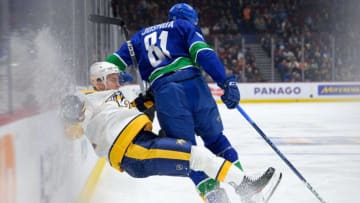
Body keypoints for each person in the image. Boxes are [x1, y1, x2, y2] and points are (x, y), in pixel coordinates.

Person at [104, 3, 280, 203]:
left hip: (165, 94)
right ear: (189, 19)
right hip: (194, 87)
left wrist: (115, 80)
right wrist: (225, 81)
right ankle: (249, 193)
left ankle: (216, 199)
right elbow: (202, 53)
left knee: (187, 153)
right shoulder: (184, 26)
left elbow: (110, 64)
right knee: (216, 140)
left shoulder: (139, 37)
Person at [60, 61, 278, 203]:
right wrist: (71, 113)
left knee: (197, 157)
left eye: (117, 78)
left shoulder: (116, 99)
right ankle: (245, 187)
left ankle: (240, 189)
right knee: (198, 157)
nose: (118, 82)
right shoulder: (88, 99)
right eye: (112, 79)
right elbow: (75, 128)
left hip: (143, 143)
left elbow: (135, 113)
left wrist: (149, 99)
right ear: (98, 82)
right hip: (133, 152)